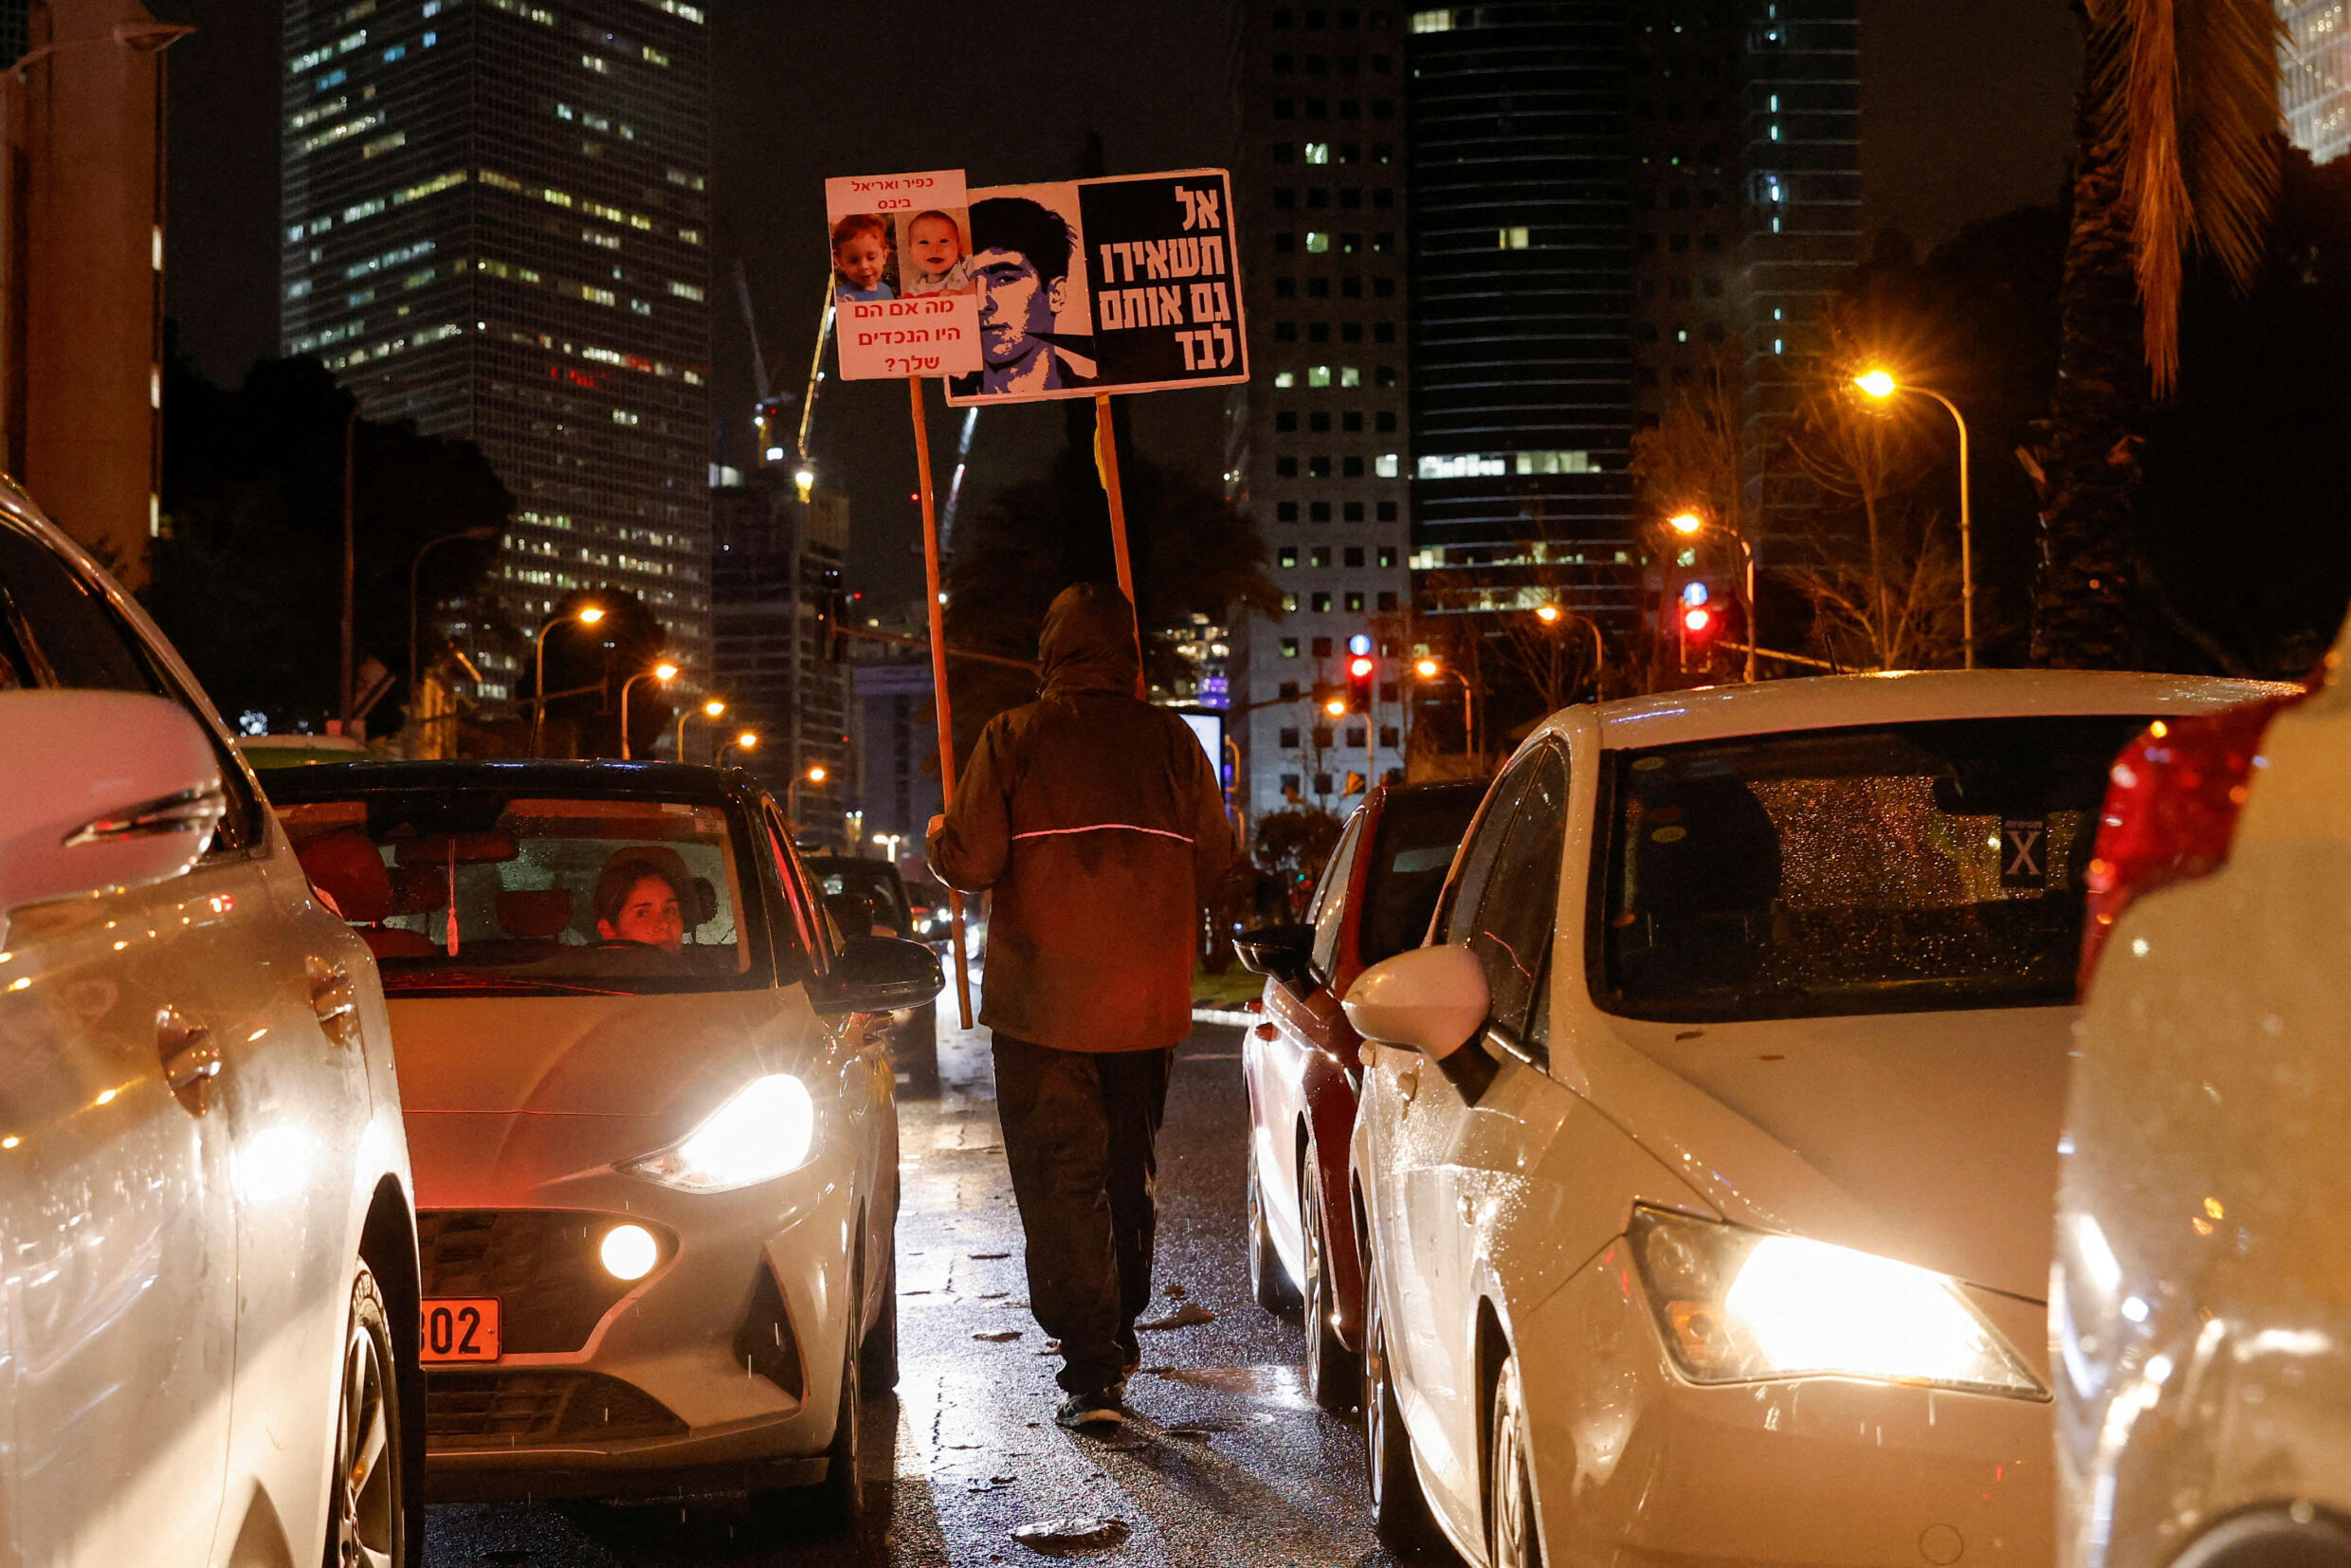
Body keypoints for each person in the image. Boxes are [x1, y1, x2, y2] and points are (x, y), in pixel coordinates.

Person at [928, 584, 1234, 1430]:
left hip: (1043, 1004)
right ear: (1129, 652)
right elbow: (1219, 861)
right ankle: (1120, 1327)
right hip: (1148, 1007)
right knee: (1125, 1169)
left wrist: (937, 841)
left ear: (1051, 647)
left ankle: (1093, 1365)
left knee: (1061, 1176)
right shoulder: (1173, 741)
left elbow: (974, 858)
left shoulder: (1014, 736)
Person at [955, 194, 1097, 396]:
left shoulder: (1093, 400)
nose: (981, 303)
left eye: (1004, 279)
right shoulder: (942, 402)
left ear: (1056, 294)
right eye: (969, 282)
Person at [902, 209, 974, 297]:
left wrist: (962, 292)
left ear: (958, 247)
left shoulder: (967, 265)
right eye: (924, 242)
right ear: (911, 250)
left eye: (943, 241)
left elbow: (984, 281)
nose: (934, 250)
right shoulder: (917, 288)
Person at [830, 212, 894, 301]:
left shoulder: (886, 291)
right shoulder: (842, 297)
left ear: (884, 256)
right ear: (840, 262)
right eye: (853, 261)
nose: (864, 266)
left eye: (871, 258)